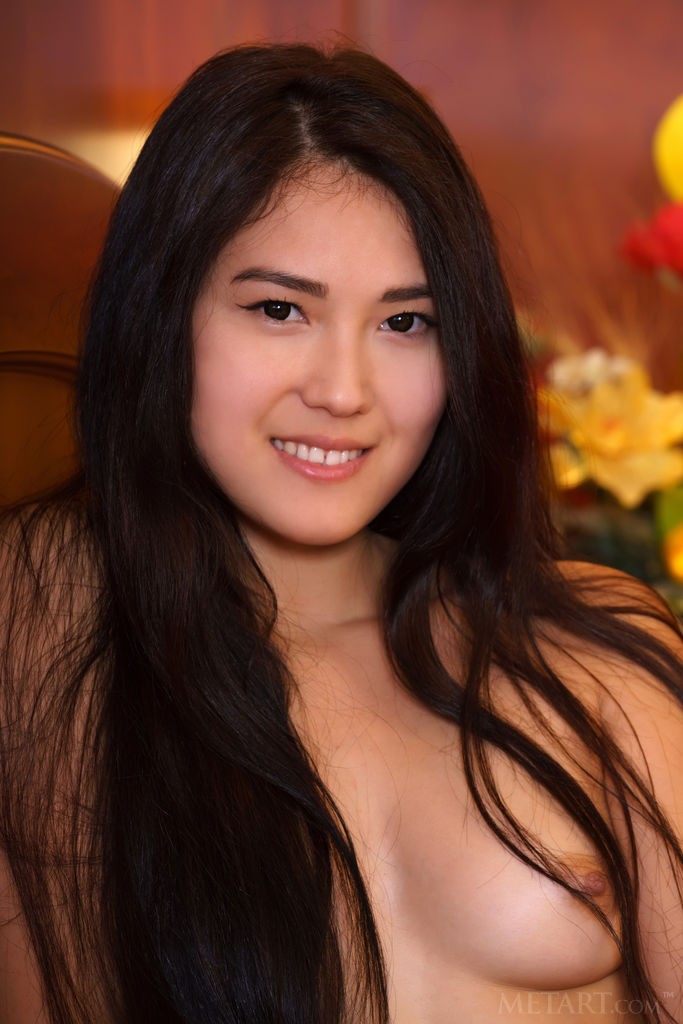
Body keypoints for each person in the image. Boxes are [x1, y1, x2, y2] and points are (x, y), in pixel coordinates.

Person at [1, 42, 682, 1024]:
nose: (343, 392)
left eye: (405, 323)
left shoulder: (589, 647)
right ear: (162, 316)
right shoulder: (50, 618)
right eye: (279, 309)